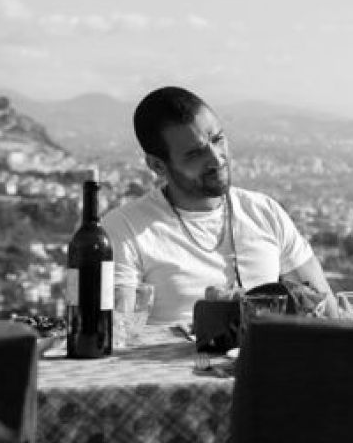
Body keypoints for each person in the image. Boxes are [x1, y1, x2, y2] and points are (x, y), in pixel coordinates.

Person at [103, 86, 339, 326]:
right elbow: (119, 332)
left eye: (217, 139)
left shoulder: (265, 212)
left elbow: (330, 316)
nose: (216, 158)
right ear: (158, 166)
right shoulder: (125, 229)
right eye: (195, 154)